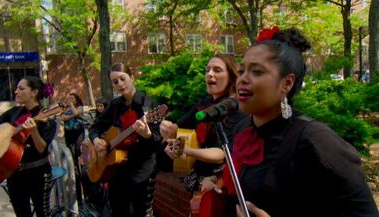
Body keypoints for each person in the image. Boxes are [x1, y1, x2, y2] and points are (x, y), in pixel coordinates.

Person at [228, 27, 379, 217]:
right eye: (241, 71)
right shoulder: (243, 129)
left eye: (257, 72)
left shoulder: (316, 141)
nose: (242, 79)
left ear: (287, 83)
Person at [160, 53, 248, 195]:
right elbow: (179, 127)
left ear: (231, 77)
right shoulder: (204, 103)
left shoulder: (236, 107)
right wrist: (167, 129)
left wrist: (186, 150)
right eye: (207, 70)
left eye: (217, 70)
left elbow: (222, 153)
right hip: (198, 177)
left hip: (223, 180)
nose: (210, 74)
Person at [0, 76, 57, 217]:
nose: (16, 92)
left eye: (21, 88)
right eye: (17, 88)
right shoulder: (14, 112)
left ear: (34, 92)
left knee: (43, 213)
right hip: (14, 174)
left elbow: (41, 149)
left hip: (38, 174)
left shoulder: (46, 118)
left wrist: (33, 131)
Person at [88, 63, 162, 217]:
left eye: (123, 79)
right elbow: (95, 127)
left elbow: (157, 141)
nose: (120, 84)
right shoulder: (115, 105)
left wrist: (147, 134)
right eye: (115, 82)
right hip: (116, 172)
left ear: (132, 78)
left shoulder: (147, 105)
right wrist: (96, 141)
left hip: (141, 172)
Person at [61, 92, 84, 203]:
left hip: (78, 132)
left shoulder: (79, 107)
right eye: (69, 98)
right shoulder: (65, 108)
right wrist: (70, 115)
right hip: (69, 133)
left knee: (78, 151)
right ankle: (73, 166)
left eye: (72, 98)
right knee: (70, 152)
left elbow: (77, 113)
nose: (70, 100)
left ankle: (79, 165)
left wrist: (71, 108)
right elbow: (63, 117)